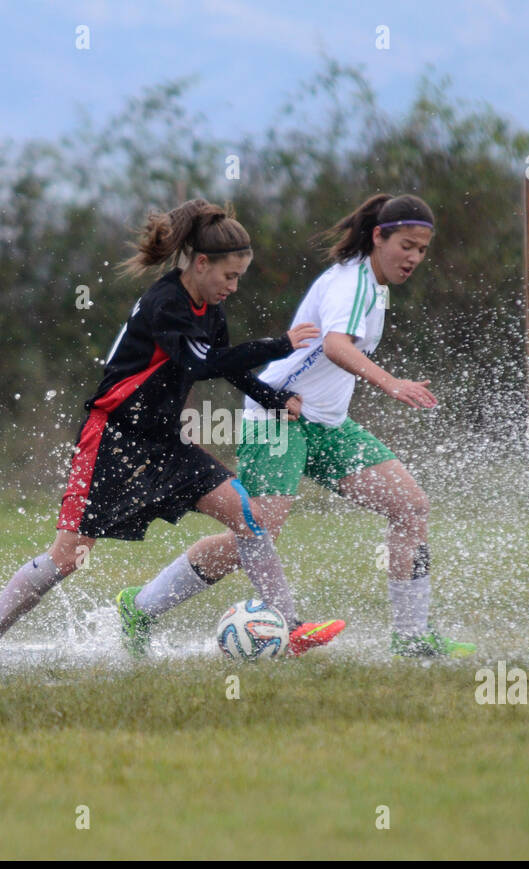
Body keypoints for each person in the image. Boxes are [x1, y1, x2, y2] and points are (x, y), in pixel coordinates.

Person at [0, 199, 345, 668]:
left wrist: (271, 397)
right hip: (113, 440)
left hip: (165, 442)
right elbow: (199, 364)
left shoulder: (210, 307)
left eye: (240, 277)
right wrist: (278, 345)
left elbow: (224, 367)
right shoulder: (165, 303)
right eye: (229, 276)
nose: (233, 287)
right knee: (69, 556)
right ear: (201, 263)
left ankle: (291, 626)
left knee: (249, 518)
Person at [116, 194, 476, 658]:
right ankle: (141, 608)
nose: (414, 258)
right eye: (406, 245)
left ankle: (411, 638)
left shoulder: (374, 284)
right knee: (258, 530)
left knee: (410, 507)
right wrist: (392, 384)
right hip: (277, 416)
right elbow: (335, 347)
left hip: (327, 424)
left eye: (422, 250)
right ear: (378, 237)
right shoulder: (353, 284)